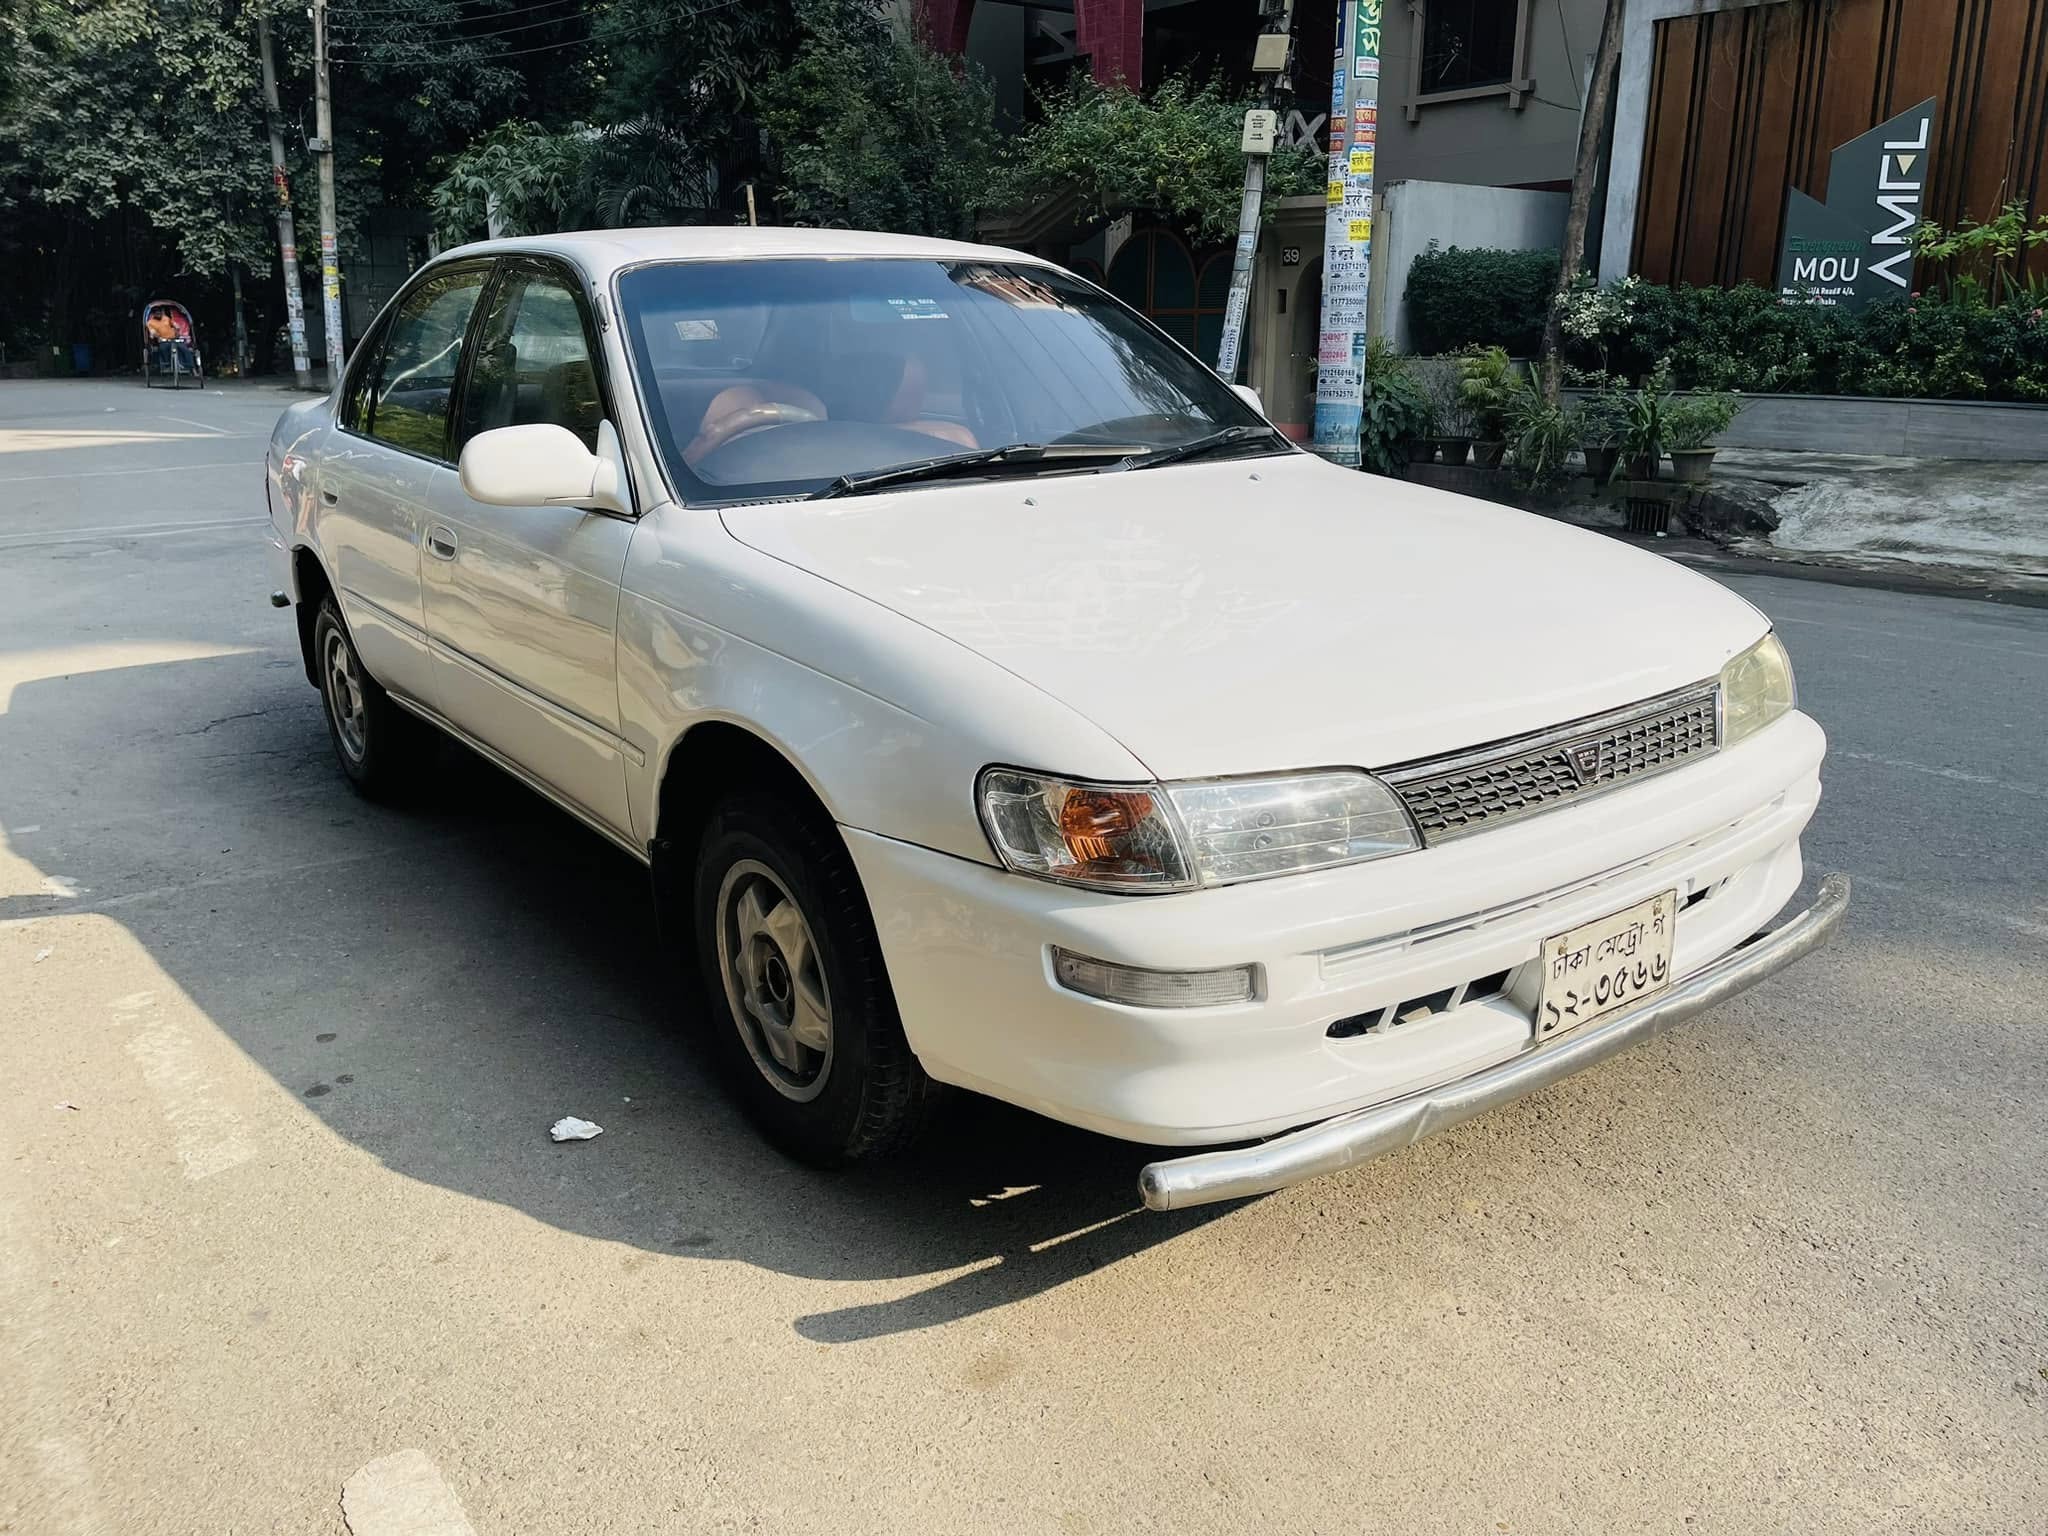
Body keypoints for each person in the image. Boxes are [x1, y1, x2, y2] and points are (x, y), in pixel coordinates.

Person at [147, 306, 196, 375]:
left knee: (185, 349)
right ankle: (166, 365)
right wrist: (154, 334)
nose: (159, 315)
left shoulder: (166, 318)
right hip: (163, 340)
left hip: (174, 339)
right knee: (164, 349)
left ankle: (190, 366)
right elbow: (152, 331)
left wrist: (176, 327)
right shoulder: (150, 322)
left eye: (160, 313)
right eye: (157, 313)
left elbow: (173, 324)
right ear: (154, 314)